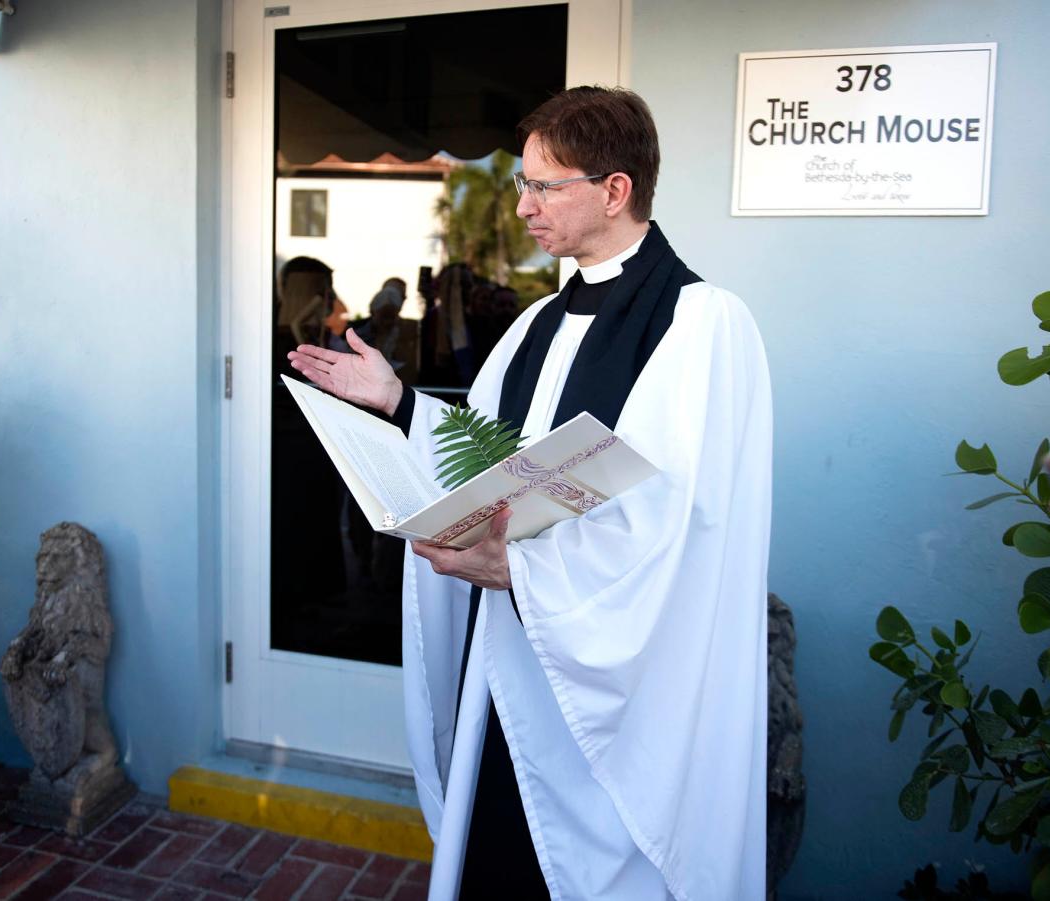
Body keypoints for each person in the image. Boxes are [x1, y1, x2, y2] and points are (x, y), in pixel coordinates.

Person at [288, 85, 772, 900]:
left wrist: (525, 572)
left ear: (616, 190)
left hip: (616, 688)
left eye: (544, 186)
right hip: (512, 658)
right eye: (522, 184)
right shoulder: (535, 325)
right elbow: (490, 454)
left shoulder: (704, 326)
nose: (523, 206)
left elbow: (688, 528)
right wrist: (398, 402)